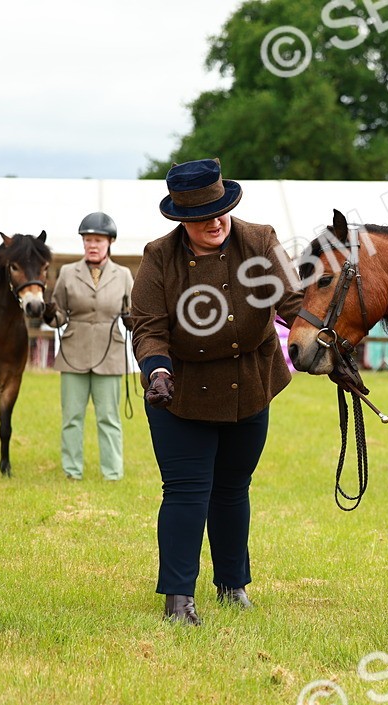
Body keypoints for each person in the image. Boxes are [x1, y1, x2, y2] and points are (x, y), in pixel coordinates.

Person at [130, 158, 302, 625]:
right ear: (182, 219)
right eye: (204, 216)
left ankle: (232, 585)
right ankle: (178, 599)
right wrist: (157, 371)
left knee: (232, 489)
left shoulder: (259, 240)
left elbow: (293, 301)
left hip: (251, 383)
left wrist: (326, 341)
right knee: (186, 493)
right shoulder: (159, 257)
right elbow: (148, 326)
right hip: (180, 392)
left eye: (221, 210)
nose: (216, 222)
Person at [43, 213, 134, 481]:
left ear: (110, 242)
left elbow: (133, 313)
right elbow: (59, 316)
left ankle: (113, 472)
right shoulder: (67, 273)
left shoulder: (124, 275)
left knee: (109, 417)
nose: (92, 245)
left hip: (110, 352)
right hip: (74, 352)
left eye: (98, 240)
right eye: (88, 240)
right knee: (72, 417)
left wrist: (132, 321)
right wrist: (50, 315)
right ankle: (72, 471)